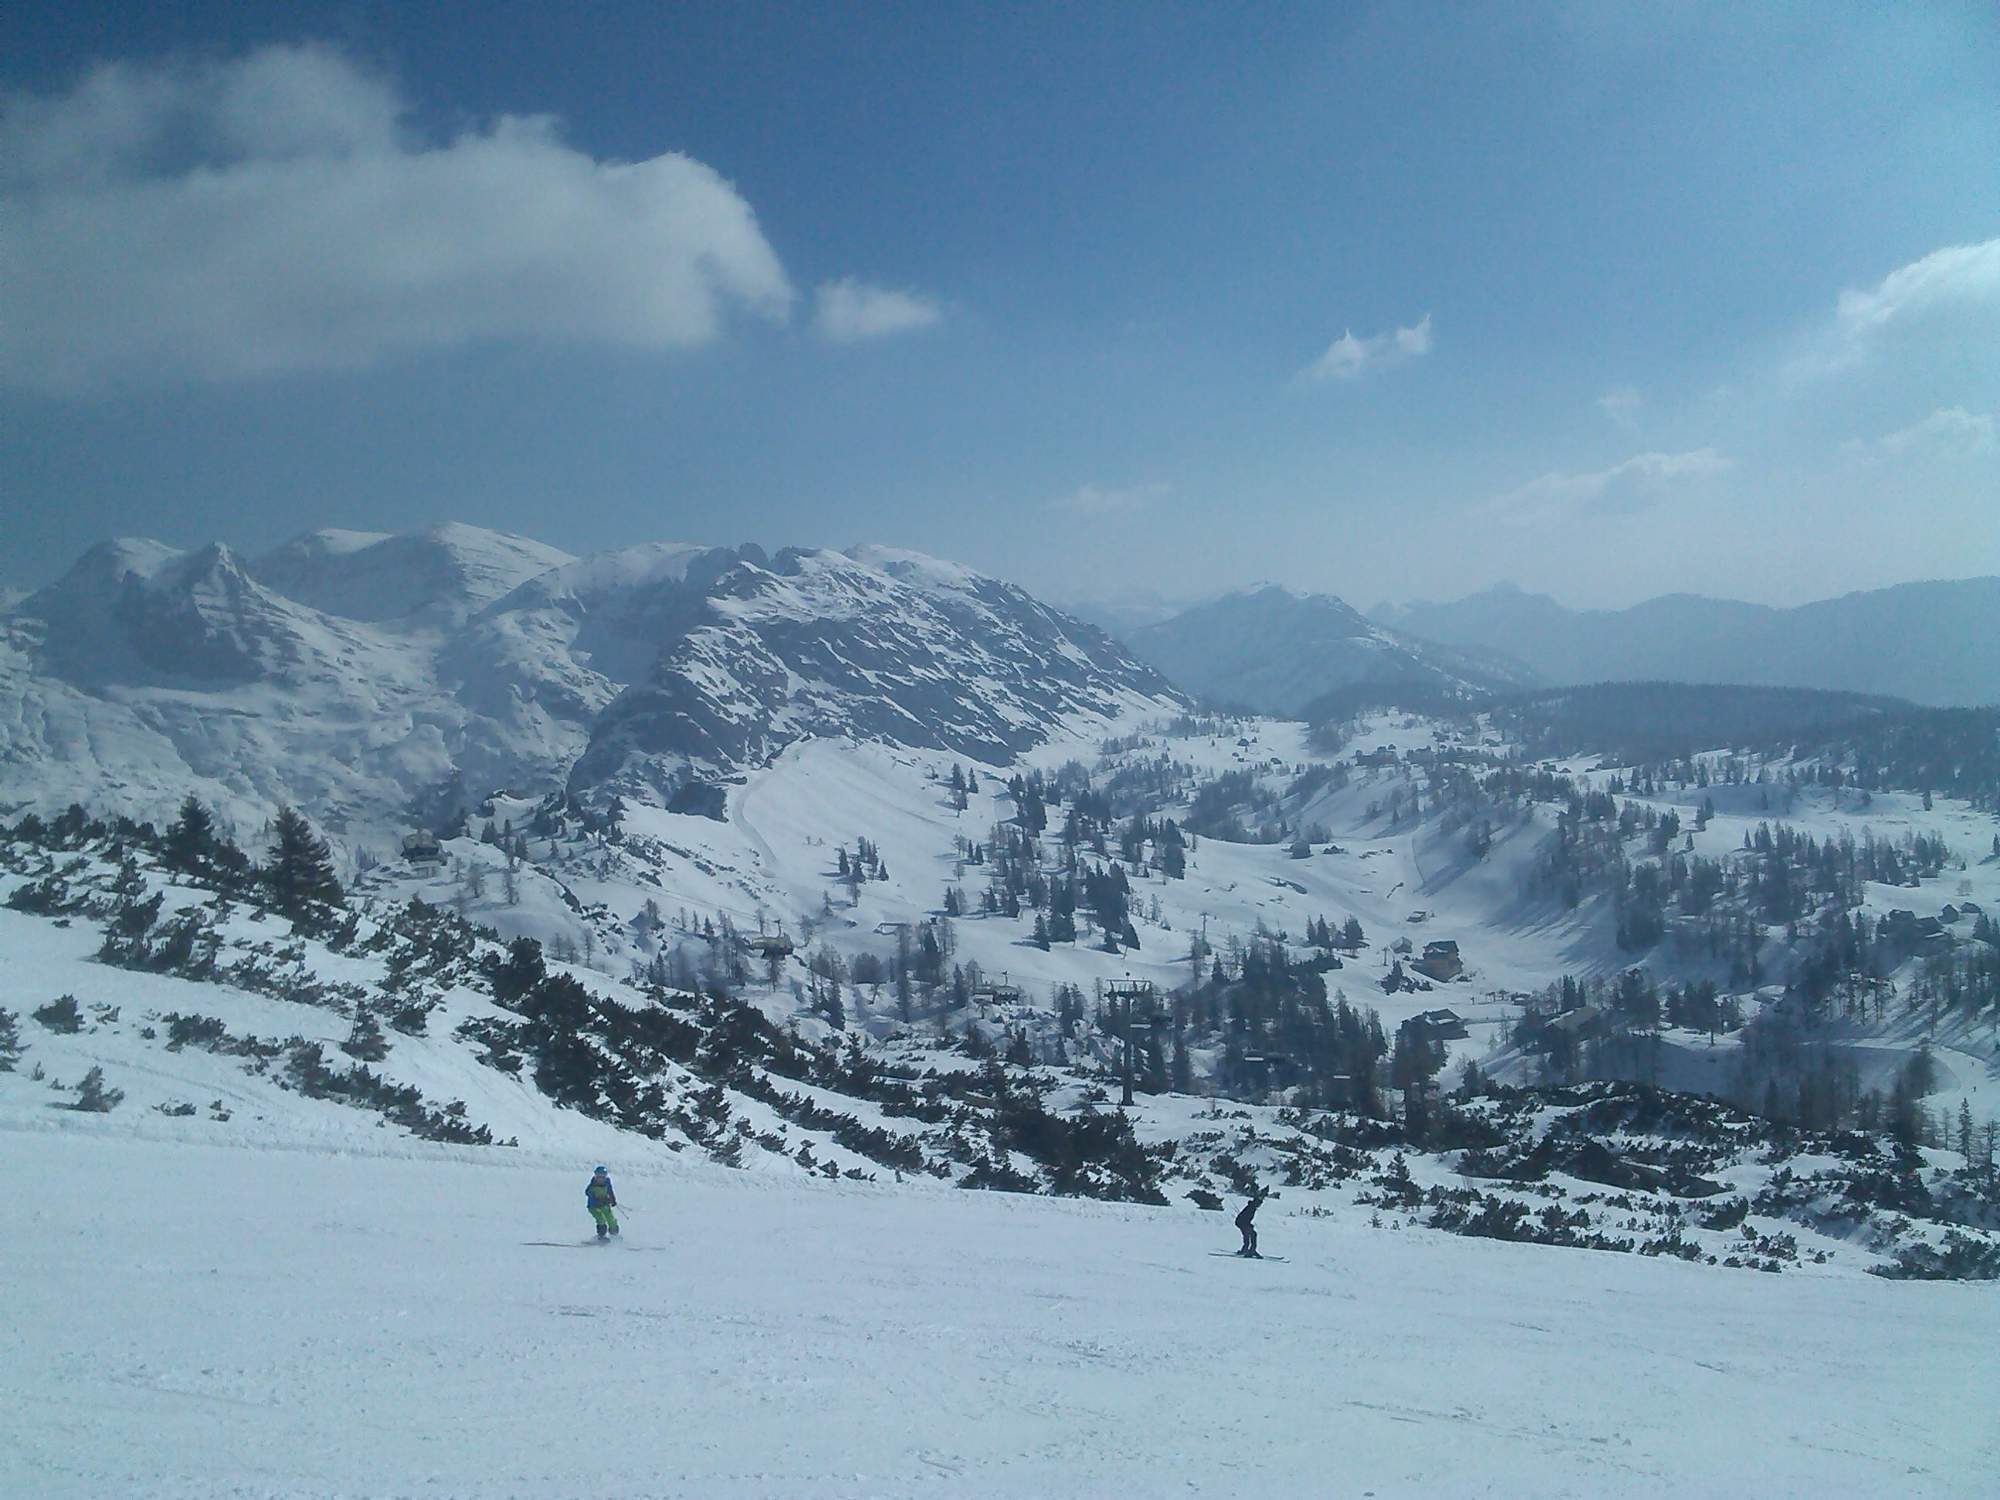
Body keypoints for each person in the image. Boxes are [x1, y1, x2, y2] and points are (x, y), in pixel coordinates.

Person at [586, 1165, 619, 1239]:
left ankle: (614, 1234)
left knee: (611, 1219)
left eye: (603, 1177)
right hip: (593, 1207)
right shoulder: (592, 1186)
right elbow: (589, 1195)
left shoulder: (607, 1182)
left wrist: (613, 1200)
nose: (600, 1179)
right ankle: (601, 1235)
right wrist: (600, 1200)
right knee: (601, 1219)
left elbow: (610, 1191)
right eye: (598, 1177)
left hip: (604, 1205)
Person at [1235, 1184, 1268, 1257]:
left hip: (1241, 1223)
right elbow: (1245, 1218)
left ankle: (1246, 1249)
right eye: (1259, 1204)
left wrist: (1249, 1225)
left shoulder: (1252, 1207)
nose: (1260, 1205)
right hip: (1241, 1223)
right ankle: (1251, 1251)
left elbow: (1247, 1219)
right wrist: (1249, 1225)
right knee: (1253, 1234)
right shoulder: (1251, 1208)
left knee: (1248, 1234)